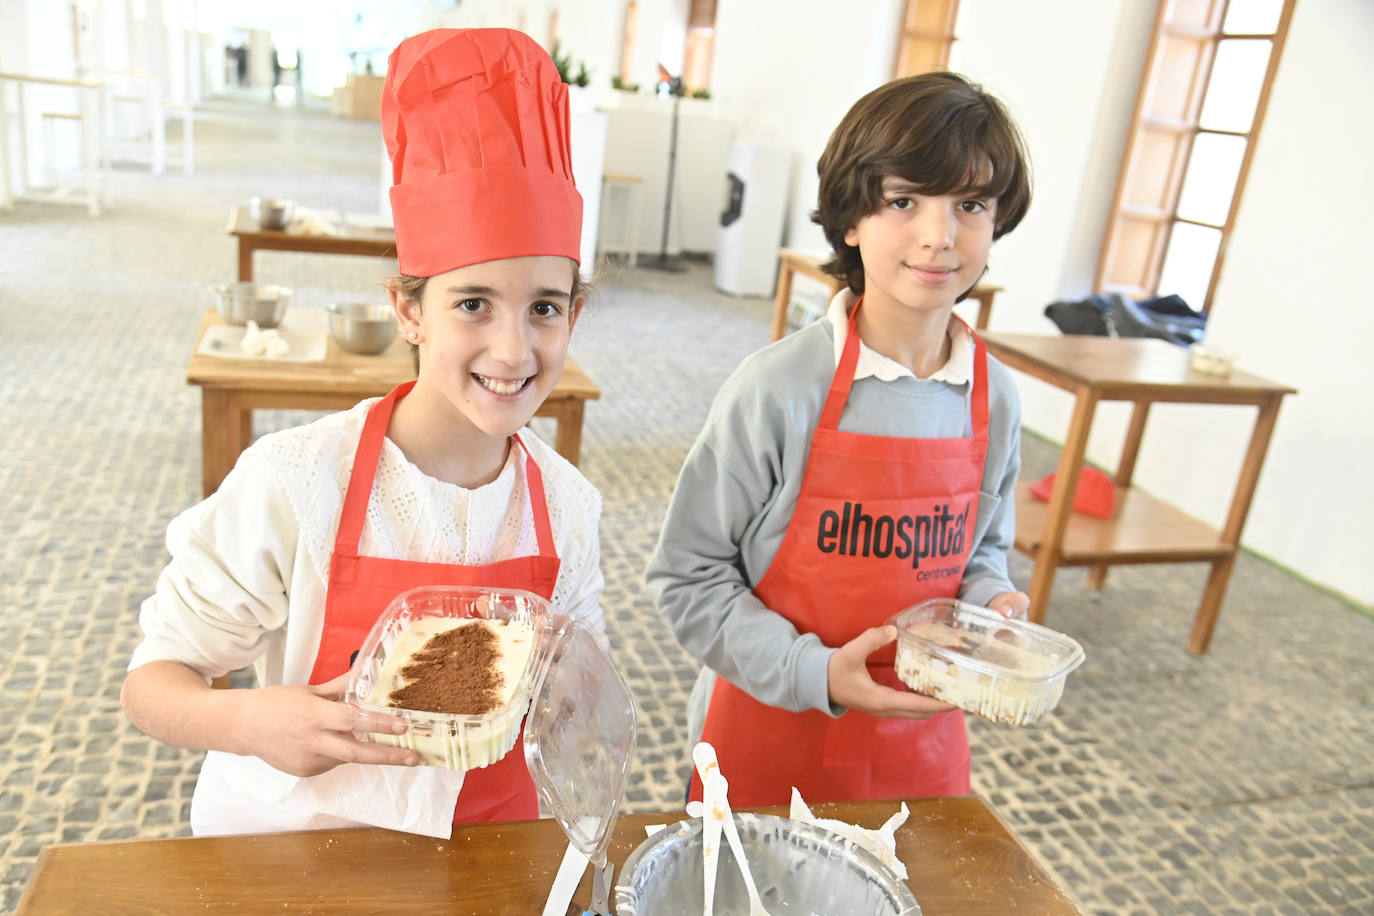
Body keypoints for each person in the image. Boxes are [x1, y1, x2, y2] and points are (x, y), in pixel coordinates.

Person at [122, 28, 602, 836]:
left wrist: (567, 672)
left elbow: (578, 699)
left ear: (574, 315)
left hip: (484, 852)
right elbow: (153, 684)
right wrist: (254, 723)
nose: (513, 351)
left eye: (544, 308)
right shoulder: (297, 481)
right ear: (408, 310)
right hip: (300, 849)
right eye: (473, 304)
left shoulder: (567, 506)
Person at [646, 71, 1033, 807]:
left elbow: (980, 551)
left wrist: (994, 604)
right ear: (852, 218)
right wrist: (814, 671)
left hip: (918, 752)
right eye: (904, 201)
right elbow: (686, 577)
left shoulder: (995, 397)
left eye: (971, 205)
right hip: (766, 735)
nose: (939, 236)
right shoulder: (778, 389)